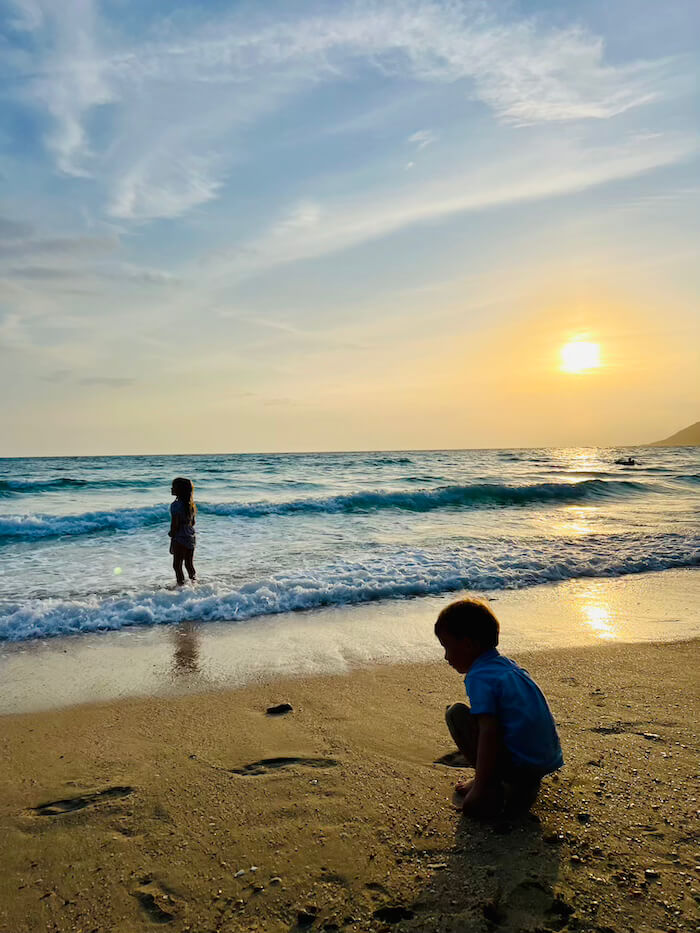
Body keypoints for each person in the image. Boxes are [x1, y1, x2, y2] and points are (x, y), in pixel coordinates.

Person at [435, 598, 563, 818]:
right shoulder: (508, 667)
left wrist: (480, 789)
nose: (446, 657)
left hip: (521, 766)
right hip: (543, 760)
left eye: (447, 647)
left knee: (455, 714)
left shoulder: (480, 677)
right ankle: (523, 785)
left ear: (467, 644)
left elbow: (489, 732)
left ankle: (494, 786)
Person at [169, 477, 196, 586]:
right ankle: (194, 582)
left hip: (179, 537)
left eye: (174, 487)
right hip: (190, 536)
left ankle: (181, 585)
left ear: (179, 490)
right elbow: (193, 523)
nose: (171, 488)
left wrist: (172, 533)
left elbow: (175, 523)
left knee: (177, 565)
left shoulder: (175, 505)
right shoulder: (191, 505)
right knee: (189, 564)